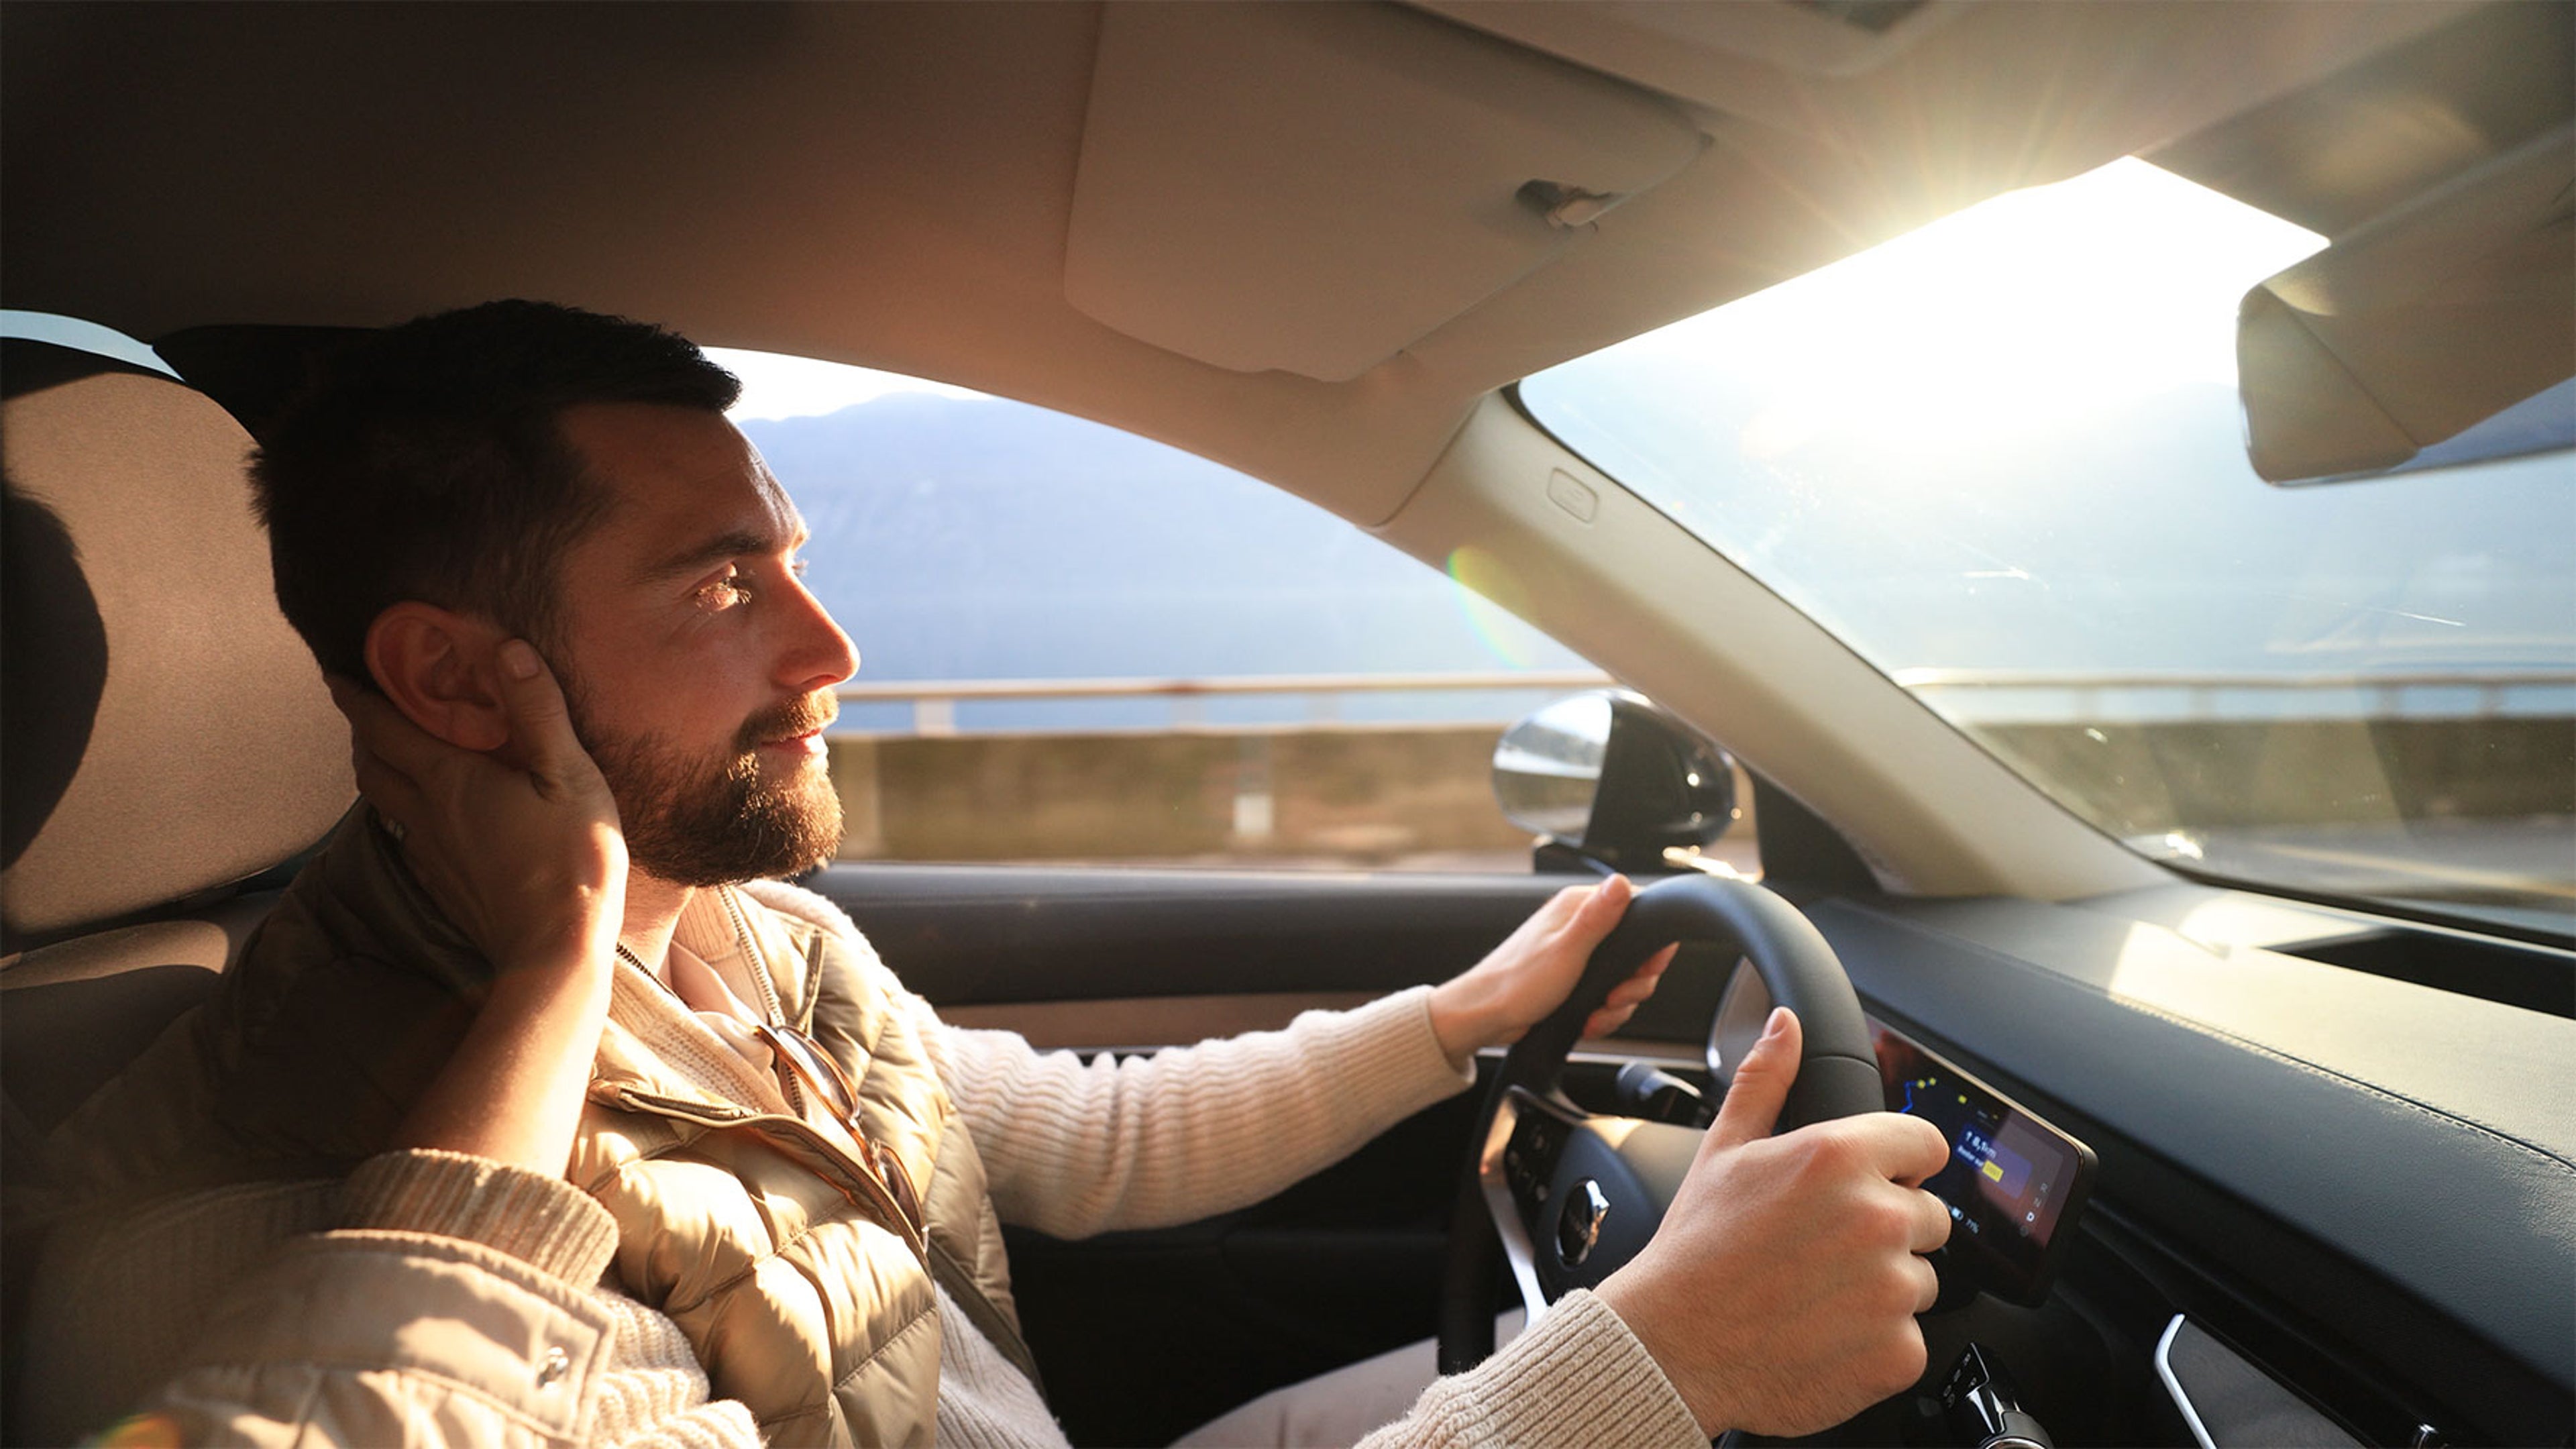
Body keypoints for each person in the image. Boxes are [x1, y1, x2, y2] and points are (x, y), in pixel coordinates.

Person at [36, 302, 1951, 1448]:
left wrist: (1460, 1023)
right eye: (721, 586)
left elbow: (1074, 1139)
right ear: (457, 678)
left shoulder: (749, 941)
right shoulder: (276, 1223)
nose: (828, 648)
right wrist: (1653, 1362)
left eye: (788, 556)